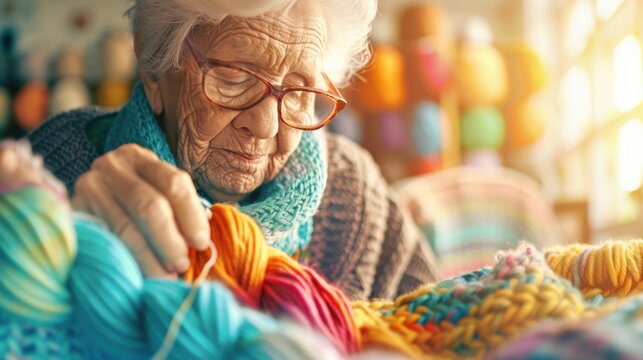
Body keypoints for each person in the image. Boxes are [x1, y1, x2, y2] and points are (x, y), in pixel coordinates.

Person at [28, 0, 439, 299]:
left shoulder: (354, 192)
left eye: (298, 91)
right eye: (234, 77)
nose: (264, 125)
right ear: (154, 67)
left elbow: (433, 328)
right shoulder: (50, 177)